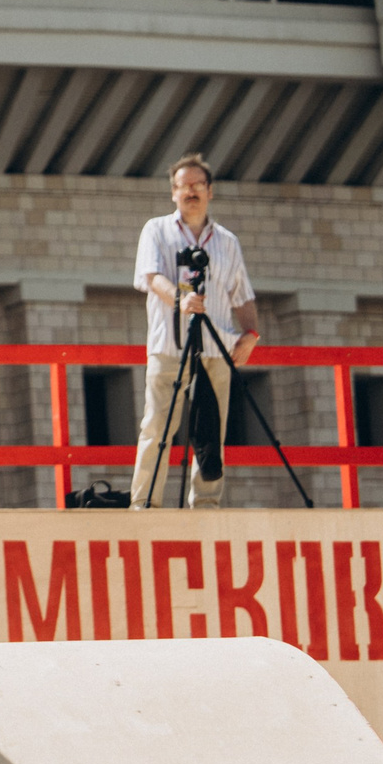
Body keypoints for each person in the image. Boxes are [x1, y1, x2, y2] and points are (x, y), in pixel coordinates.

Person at [128, 155, 259, 509]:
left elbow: (242, 294)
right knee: (157, 428)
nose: (191, 192)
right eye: (183, 186)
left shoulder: (227, 241)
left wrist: (251, 334)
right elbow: (152, 277)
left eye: (197, 185)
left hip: (216, 349)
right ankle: (144, 505)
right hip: (169, 345)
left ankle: (206, 506)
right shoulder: (156, 230)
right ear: (173, 193)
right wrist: (182, 298)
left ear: (210, 191)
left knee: (211, 433)